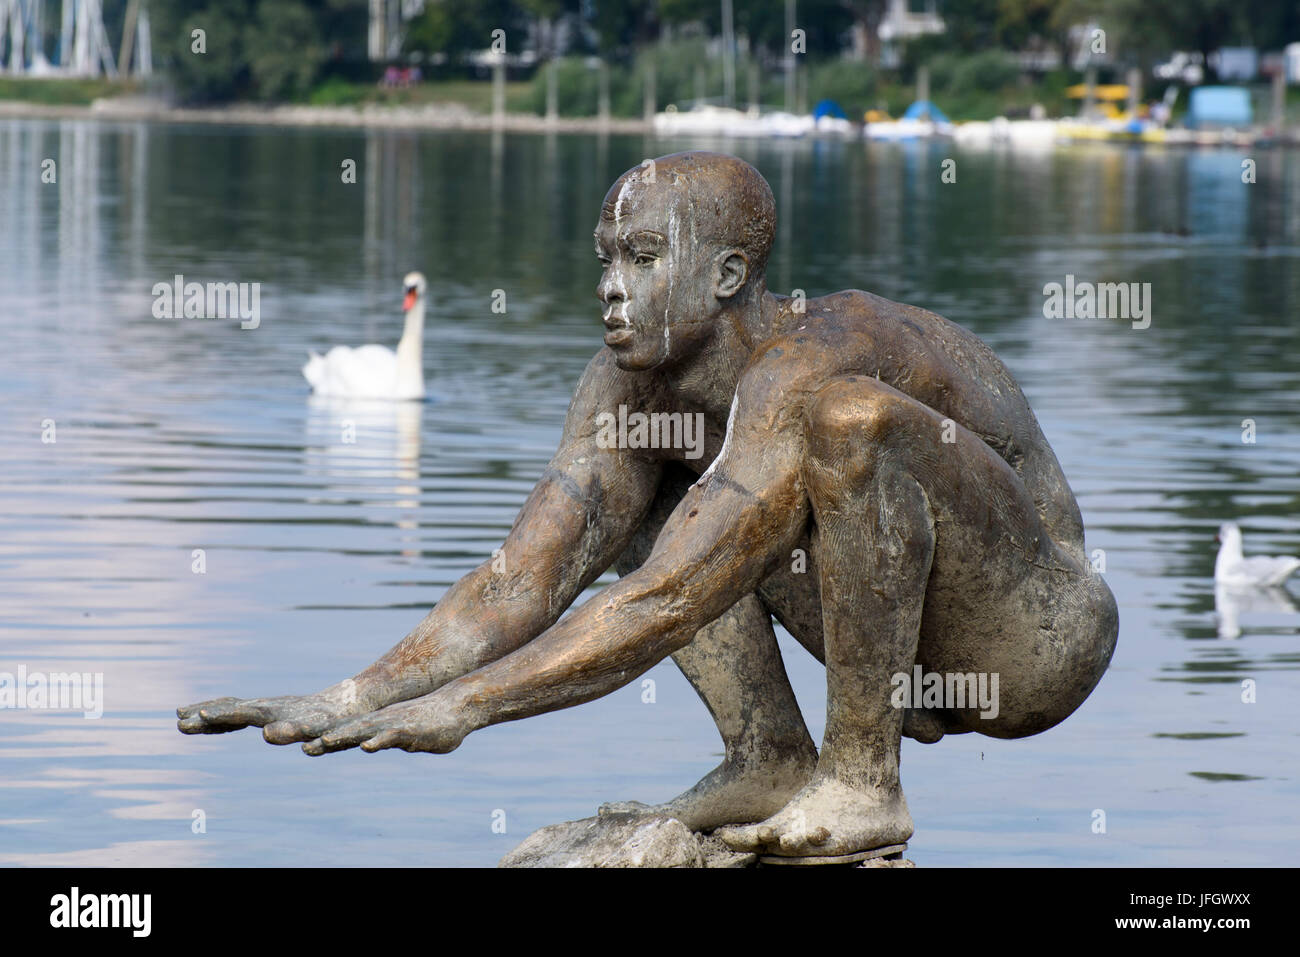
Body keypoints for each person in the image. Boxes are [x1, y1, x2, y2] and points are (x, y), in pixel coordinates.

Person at [179, 151, 1118, 859]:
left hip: (1032, 633)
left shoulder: (818, 352)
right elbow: (523, 576)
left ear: (725, 274)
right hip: (891, 629)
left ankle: (863, 781)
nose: (608, 286)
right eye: (604, 258)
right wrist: (359, 691)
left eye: (640, 257)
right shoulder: (629, 386)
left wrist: (469, 707)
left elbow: (671, 593)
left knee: (850, 422)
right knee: (643, 479)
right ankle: (771, 757)